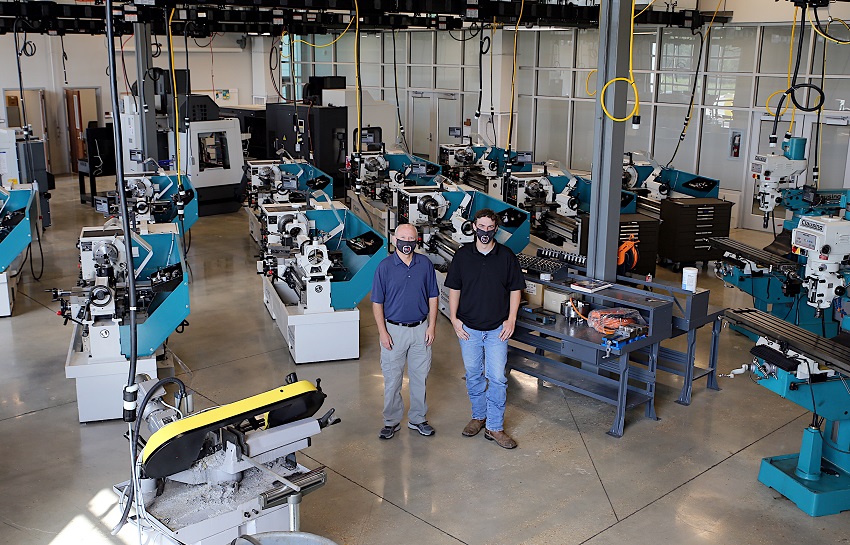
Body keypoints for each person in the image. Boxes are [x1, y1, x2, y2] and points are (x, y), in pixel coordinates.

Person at [445, 208, 525, 449]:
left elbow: (515, 290)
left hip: (497, 329)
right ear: (474, 227)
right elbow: (454, 289)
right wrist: (454, 319)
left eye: (490, 228)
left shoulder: (507, 256)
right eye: (481, 227)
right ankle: (479, 416)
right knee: (473, 374)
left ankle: (495, 427)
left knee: (498, 378)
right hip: (468, 328)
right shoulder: (462, 255)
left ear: (496, 229)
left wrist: (511, 319)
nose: (485, 232)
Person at [371, 223, 439, 440]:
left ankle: (418, 418)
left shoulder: (425, 264)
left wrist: (432, 325)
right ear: (394, 240)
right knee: (392, 378)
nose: (407, 243)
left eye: (411, 239)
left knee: (420, 377)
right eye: (402, 238)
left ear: (417, 241)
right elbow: (377, 303)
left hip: (420, 330)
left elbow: (433, 296)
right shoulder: (384, 267)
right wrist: (383, 332)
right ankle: (391, 421)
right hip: (394, 331)